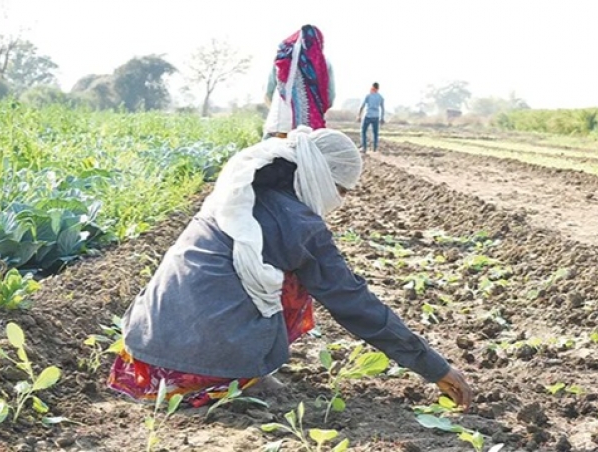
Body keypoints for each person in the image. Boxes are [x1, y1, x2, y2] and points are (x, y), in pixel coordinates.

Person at [108, 126, 472, 411]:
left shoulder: (241, 191)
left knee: (271, 272)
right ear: (319, 177)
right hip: (202, 366)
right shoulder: (300, 225)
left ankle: (240, 364)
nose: (338, 202)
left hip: (146, 349)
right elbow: (353, 302)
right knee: (298, 282)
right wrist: (435, 367)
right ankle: (241, 373)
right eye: (340, 191)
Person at [263, 24, 335, 139]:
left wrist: (284, 111)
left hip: (278, 129)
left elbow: (268, 94)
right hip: (311, 132)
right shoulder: (324, 64)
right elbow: (330, 98)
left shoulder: (282, 59)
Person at [358, 82, 385, 153]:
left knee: (363, 131)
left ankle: (364, 148)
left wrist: (359, 115)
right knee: (375, 133)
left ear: (372, 87)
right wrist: (382, 118)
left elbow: (362, 106)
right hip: (376, 116)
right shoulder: (380, 97)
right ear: (378, 88)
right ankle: (375, 149)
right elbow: (382, 108)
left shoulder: (368, 95)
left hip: (368, 115)